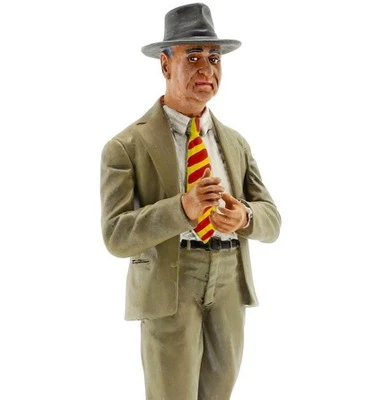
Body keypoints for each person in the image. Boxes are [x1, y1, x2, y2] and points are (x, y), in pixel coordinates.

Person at [100, 3, 281, 399]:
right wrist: (182, 209)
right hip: (171, 281)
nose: (206, 69)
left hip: (230, 278)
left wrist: (244, 217)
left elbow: (272, 219)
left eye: (214, 58)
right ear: (166, 64)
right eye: (193, 57)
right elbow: (116, 235)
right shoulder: (126, 146)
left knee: (220, 390)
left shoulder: (235, 142)